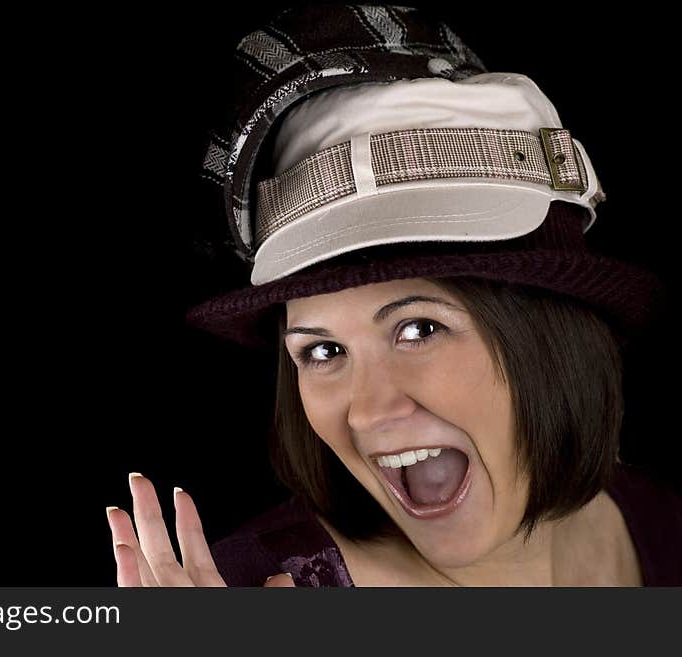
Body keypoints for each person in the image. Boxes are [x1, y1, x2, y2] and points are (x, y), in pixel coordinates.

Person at [106, 4, 682, 586]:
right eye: (323, 352)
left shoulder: (660, 518)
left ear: (552, 330)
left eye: (419, 329)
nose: (367, 411)